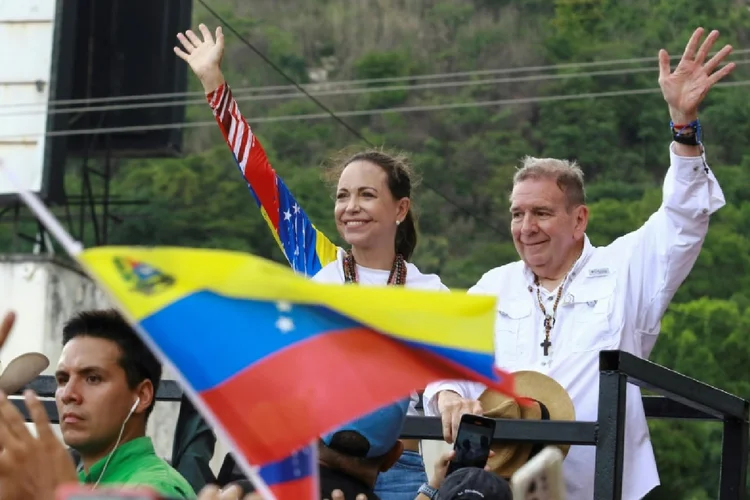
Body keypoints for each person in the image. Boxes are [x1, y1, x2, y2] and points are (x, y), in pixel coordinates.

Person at [423, 27, 734, 500]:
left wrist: (683, 125)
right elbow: (446, 358)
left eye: (542, 213)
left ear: (578, 219)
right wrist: (445, 393)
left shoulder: (627, 267)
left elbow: (684, 217)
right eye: (517, 213)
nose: (526, 226)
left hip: (609, 487)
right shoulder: (494, 284)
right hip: (511, 488)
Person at [174, 23, 448, 500]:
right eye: (343, 196)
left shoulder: (429, 293)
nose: (351, 206)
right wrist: (215, 87)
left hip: (399, 468)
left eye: (367, 195)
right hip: (316, 458)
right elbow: (261, 179)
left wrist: (448, 395)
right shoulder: (318, 263)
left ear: (399, 209)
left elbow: (447, 377)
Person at [56, 309, 195, 498]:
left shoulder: (156, 489)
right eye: (63, 379)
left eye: (93, 378)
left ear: (142, 395)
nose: (68, 394)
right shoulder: (78, 485)